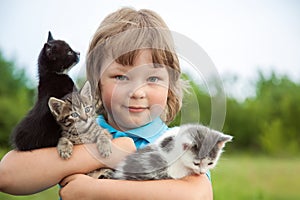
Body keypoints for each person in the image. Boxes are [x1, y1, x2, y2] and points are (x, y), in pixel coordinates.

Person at [0, 7, 213, 200]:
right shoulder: (78, 133)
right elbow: (8, 176)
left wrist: (93, 191)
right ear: (98, 82)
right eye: (121, 77)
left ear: (171, 84)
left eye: (153, 78)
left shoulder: (178, 141)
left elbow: (199, 194)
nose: (137, 92)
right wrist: (107, 151)